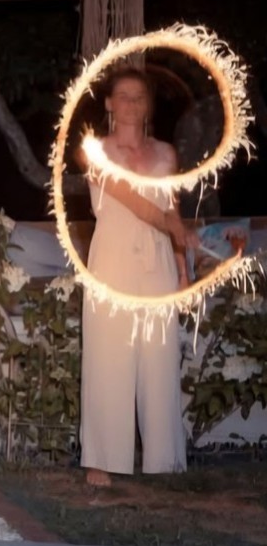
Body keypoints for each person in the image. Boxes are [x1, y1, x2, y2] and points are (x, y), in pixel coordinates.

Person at [78, 67, 192, 488]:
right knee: (109, 355)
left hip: (157, 257)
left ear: (147, 105)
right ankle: (102, 461)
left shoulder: (165, 154)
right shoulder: (96, 151)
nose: (129, 103)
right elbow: (136, 203)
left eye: (138, 96)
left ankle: (165, 460)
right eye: (122, 96)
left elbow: (171, 211)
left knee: (159, 355)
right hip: (112, 256)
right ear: (109, 104)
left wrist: (182, 271)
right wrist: (173, 225)